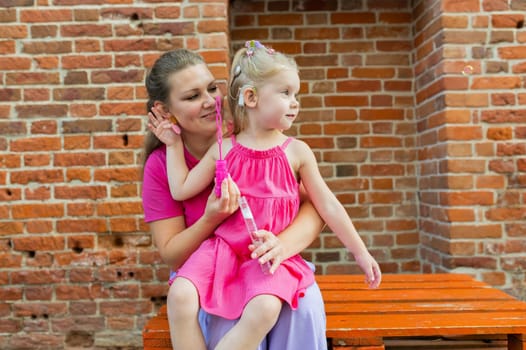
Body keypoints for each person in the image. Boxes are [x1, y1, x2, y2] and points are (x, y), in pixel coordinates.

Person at [148, 41, 382, 350]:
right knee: (180, 294)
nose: (295, 103)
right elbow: (181, 189)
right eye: (286, 93)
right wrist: (174, 146)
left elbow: (325, 206)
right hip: (224, 253)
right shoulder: (226, 148)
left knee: (266, 307)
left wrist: (361, 253)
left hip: (266, 257)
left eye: (211, 89)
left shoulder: (296, 152)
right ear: (251, 97)